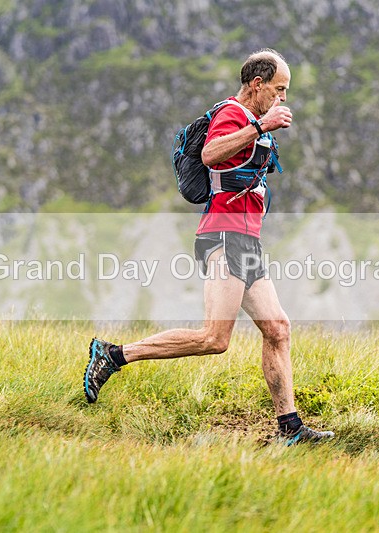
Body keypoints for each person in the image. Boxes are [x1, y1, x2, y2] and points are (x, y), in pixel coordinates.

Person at [84, 49, 334, 446]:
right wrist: (260, 125)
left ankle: (291, 429)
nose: (283, 97)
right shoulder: (233, 114)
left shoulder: (251, 119)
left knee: (278, 328)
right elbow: (210, 154)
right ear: (258, 85)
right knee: (214, 339)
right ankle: (112, 355)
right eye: (279, 89)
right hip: (223, 235)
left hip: (246, 239)